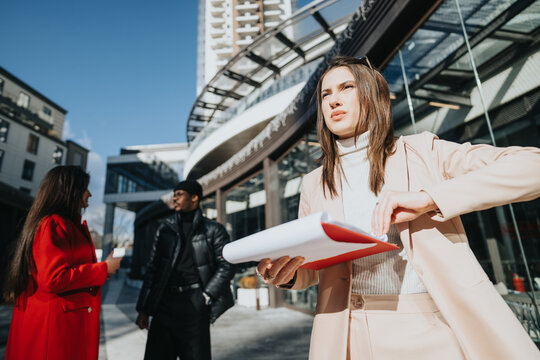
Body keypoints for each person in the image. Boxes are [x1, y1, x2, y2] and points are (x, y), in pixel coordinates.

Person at [257, 56, 540, 359]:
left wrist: (429, 198)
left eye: (346, 88)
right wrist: (286, 274)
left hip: (430, 330)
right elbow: (313, 271)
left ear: (373, 96)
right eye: (326, 94)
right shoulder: (314, 182)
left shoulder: (422, 151)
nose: (333, 101)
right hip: (346, 337)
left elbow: (532, 167)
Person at [3, 165, 122, 360]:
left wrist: (103, 270)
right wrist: (102, 269)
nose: (90, 194)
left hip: (60, 324)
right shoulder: (53, 224)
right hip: (54, 329)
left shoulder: (63, 224)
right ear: (70, 190)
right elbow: (52, 278)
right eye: (85, 188)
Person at [135, 179, 235, 360]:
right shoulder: (165, 229)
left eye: (179, 195)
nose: (174, 199)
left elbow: (227, 265)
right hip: (163, 306)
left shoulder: (213, 230)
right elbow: (153, 269)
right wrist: (143, 308)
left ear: (195, 198)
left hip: (194, 306)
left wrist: (206, 295)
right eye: (174, 195)